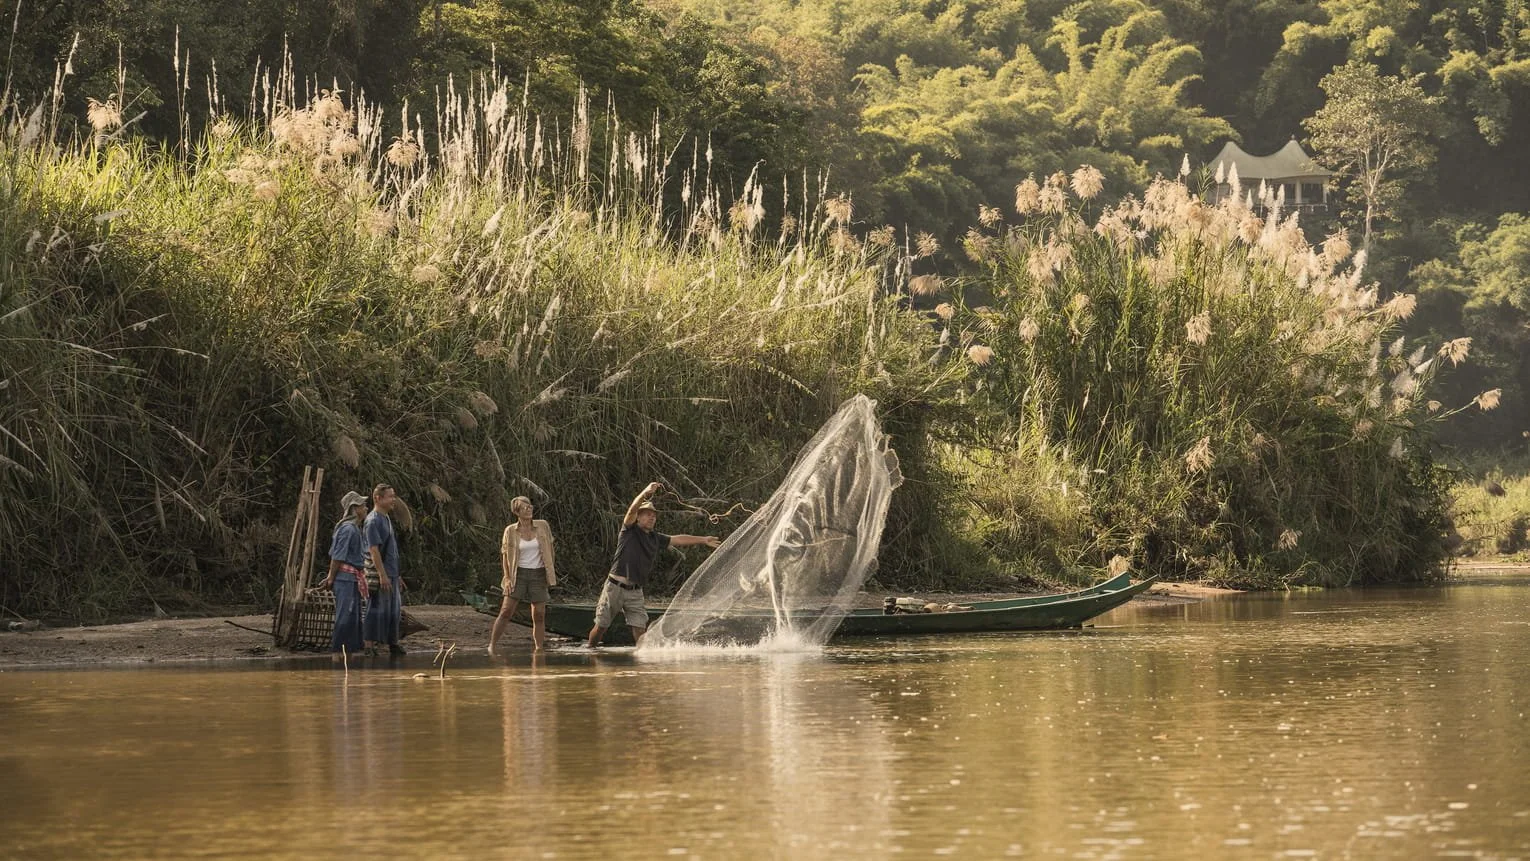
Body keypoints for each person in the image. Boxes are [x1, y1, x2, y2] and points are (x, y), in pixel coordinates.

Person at [587, 482, 721, 647]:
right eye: (647, 514)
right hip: (614, 587)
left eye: (654, 515)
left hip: (635, 592)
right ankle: (590, 653)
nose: (652, 517)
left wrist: (703, 540)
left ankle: (643, 668)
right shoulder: (629, 530)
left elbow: (678, 539)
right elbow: (631, 510)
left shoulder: (655, 538)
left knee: (640, 631)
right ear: (638, 517)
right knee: (601, 627)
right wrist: (645, 492)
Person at [488, 496, 558, 654]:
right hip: (517, 574)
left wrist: (549, 572)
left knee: (539, 614)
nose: (529, 509)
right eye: (525, 507)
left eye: (530, 506)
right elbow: (505, 556)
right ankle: (492, 645)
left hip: (538, 574)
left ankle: (539, 649)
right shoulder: (510, 530)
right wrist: (507, 578)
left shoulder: (542, 526)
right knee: (506, 610)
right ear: (517, 512)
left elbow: (551, 550)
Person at [322, 490, 370, 659]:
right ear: (355, 508)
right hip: (345, 579)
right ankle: (337, 654)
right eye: (363, 506)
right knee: (344, 616)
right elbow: (338, 556)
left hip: (352, 579)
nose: (366, 508)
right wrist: (331, 577)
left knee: (353, 617)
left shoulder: (354, 528)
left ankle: (348, 654)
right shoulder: (348, 529)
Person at [363, 483, 406, 656]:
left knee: (393, 610)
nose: (393, 500)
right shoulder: (372, 520)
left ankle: (392, 643)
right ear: (377, 499)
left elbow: (391, 550)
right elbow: (373, 550)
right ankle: (368, 646)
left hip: (392, 572)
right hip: (380, 574)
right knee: (375, 609)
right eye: (389, 496)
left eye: (393, 496)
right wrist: (382, 575)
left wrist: (397, 574)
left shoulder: (386, 518)